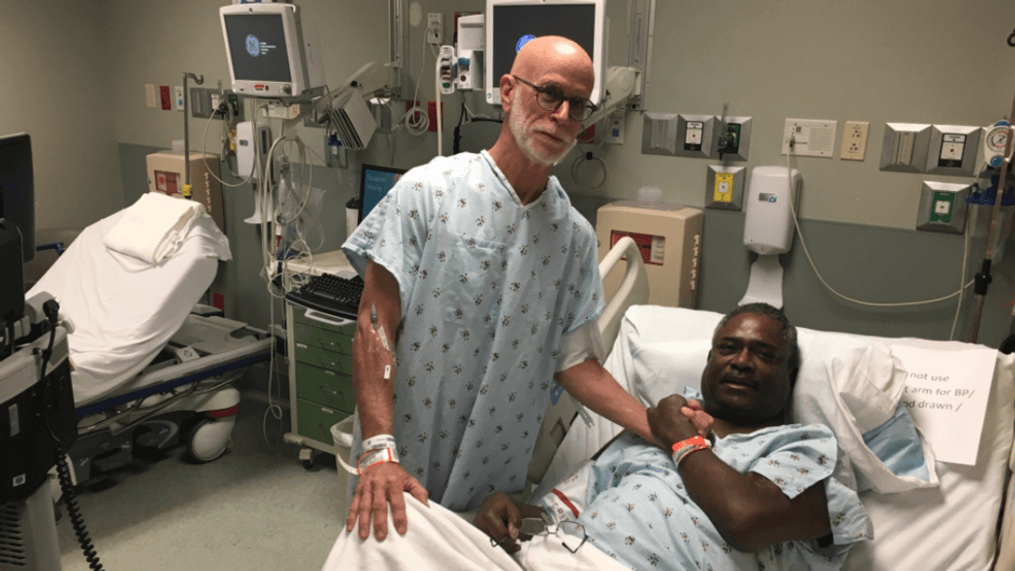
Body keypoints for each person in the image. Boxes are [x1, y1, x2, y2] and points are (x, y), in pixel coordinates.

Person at [340, 35, 661, 542]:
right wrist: (379, 447)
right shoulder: (428, 191)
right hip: (401, 453)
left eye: (578, 105)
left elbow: (573, 360)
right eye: (548, 94)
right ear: (508, 91)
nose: (561, 115)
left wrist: (653, 424)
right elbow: (374, 323)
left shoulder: (574, 237)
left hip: (495, 472)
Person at [319, 303, 871, 571]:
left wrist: (680, 435)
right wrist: (510, 509)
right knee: (384, 524)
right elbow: (557, 511)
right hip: (545, 561)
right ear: (708, 360)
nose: (742, 361)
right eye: (728, 348)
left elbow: (747, 522)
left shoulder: (804, 449)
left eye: (763, 353)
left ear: (789, 376)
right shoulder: (643, 436)